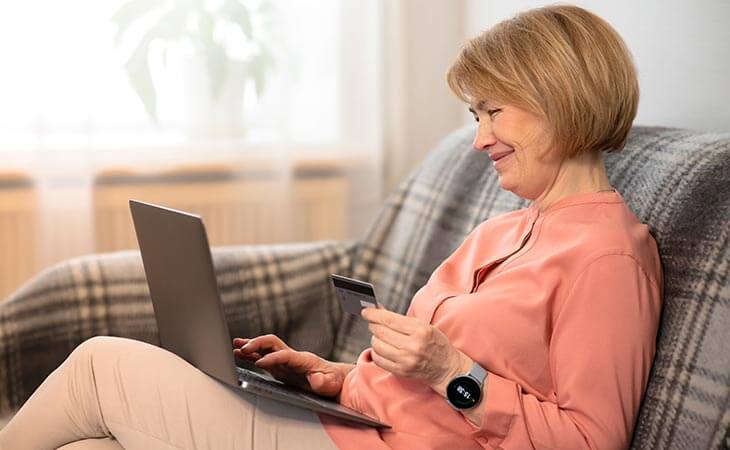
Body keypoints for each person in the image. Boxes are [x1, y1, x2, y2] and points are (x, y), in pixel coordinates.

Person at [0, 4, 663, 450]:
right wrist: (331, 375)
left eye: (493, 112)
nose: (479, 140)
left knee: (100, 366)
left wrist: (452, 371)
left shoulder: (609, 257)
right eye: (475, 118)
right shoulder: (503, 230)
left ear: (561, 99)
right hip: (354, 425)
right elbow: (415, 391)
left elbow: (589, 439)